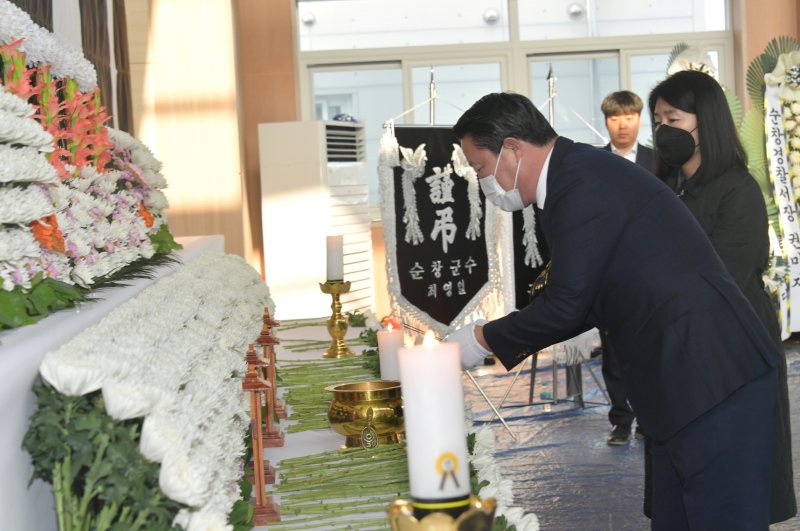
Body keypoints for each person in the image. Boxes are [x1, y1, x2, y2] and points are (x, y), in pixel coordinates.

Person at [448, 91, 783, 530]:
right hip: (680, 380)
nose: (483, 181)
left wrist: (481, 340)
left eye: (479, 167)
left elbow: (568, 304)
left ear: (511, 148)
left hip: (711, 376)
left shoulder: (581, 183)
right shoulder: (572, 179)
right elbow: (586, 297)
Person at [648, 69, 796, 524]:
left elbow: (719, 280)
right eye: (657, 120)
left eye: (672, 117)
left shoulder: (737, 190)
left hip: (732, 359)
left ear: (704, 121)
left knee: (729, 495)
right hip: (680, 356)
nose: (662, 131)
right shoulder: (667, 189)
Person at [598, 90, 653, 445]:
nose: (622, 124)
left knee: (652, 348)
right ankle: (621, 420)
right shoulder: (594, 161)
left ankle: (651, 418)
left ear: (639, 118)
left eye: (629, 116)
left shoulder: (659, 160)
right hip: (610, 271)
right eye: (615, 118)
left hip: (652, 270)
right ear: (606, 121)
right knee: (614, 351)